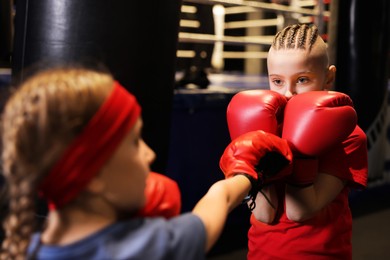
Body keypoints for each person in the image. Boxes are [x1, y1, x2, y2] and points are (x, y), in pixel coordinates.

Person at [0, 65, 288, 260]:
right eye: (136, 142)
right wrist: (244, 170)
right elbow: (217, 205)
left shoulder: (26, 249)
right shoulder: (147, 247)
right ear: (96, 174)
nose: (149, 154)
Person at [221, 24, 368, 259]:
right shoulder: (264, 125)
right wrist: (262, 156)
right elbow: (264, 214)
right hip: (261, 254)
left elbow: (301, 211)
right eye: (277, 81)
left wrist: (301, 150)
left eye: (302, 79)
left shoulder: (349, 137)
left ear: (328, 77)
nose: (288, 93)